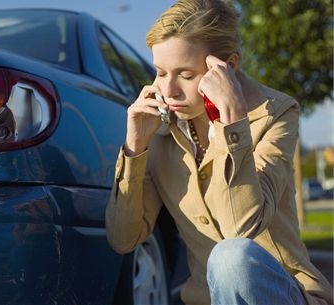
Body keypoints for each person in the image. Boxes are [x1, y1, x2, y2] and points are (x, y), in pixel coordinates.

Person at [105, 1, 333, 304]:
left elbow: (241, 228)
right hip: (206, 298)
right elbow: (123, 239)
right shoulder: (159, 132)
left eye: (185, 75)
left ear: (227, 67)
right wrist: (135, 148)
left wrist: (232, 123)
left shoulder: (275, 115)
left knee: (231, 257)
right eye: (160, 72)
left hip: (286, 293)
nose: (168, 89)